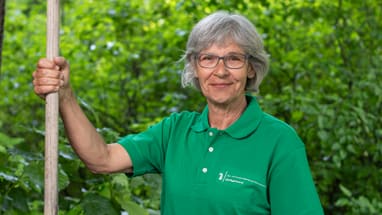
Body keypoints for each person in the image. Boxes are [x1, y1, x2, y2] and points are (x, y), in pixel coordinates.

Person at [33, 11, 324, 215]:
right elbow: (101, 158)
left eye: (233, 59)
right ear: (194, 68)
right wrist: (66, 96)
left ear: (251, 68)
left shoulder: (279, 142)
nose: (220, 70)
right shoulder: (176, 131)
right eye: (208, 58)